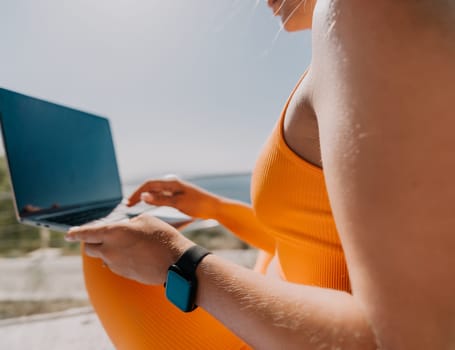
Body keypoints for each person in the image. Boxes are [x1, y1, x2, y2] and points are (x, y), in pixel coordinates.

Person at [65, 0, 455, 349]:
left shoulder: (367, 14)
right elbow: (311, 236)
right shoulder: (350, 35)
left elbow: (409, 340)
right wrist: (213, 206)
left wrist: (181, 262)